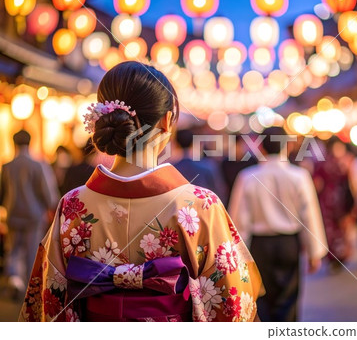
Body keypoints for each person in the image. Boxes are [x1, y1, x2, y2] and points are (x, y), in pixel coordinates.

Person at [19, 61, 262, 322]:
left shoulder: (72, 205)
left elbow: (48, 300)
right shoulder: (200, 205)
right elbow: (232, 306)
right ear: (167, 121)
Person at [228, 126, 327, 322]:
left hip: (259, 247)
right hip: (289, 243)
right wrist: (315, 252)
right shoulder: (299, 176)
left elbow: (240, 219)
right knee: (288, 299)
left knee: (261, 298)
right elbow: (310, 215)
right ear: (287, 146)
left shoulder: (247, 177)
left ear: (261, 147)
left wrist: (237, 254)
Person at [0, 130, 58, 298]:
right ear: (30, 142)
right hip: (34, 215)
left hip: (12, 213)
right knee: (32, 250)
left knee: (13, 249)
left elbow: (2, 192)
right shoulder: (38, 164)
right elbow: (47, 193)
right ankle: (29, 288)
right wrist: (50, 206)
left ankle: (14, 280)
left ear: (13, 143)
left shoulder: (7, 165)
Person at [313, 137, 354, 271]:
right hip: (339, 199)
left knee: (331, 229)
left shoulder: (322, 163)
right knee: (338, 229)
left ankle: (334, 256)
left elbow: (317, 183)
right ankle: (340, 254)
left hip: (328, 200)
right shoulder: (346, 162)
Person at [173, 129, 222, 194]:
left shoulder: (172, 168)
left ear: (176, 144)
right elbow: (218, 192)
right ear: (193, 143)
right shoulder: (207, 167)